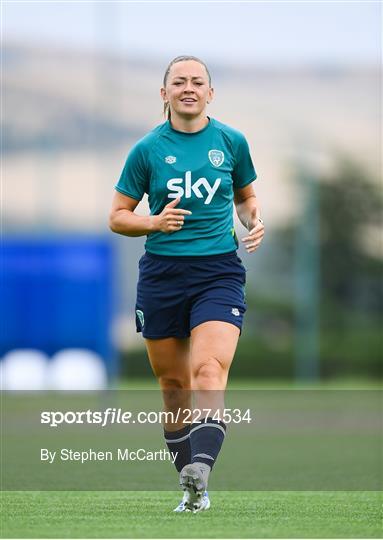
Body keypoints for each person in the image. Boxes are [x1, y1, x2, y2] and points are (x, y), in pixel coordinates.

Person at [109, 55, 265, 513]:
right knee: (174, 386)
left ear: (211, 93)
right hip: (162, 275)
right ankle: (193, 491)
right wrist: (154, 223)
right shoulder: (147, 150)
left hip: (218, 271)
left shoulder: (232, 142)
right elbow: (117, 217)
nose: (189, 88)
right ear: (165, 94)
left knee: (208, 372)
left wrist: (254, 220)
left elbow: (246, 198)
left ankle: (202, 466)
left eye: (198, 82)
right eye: (179, 82)